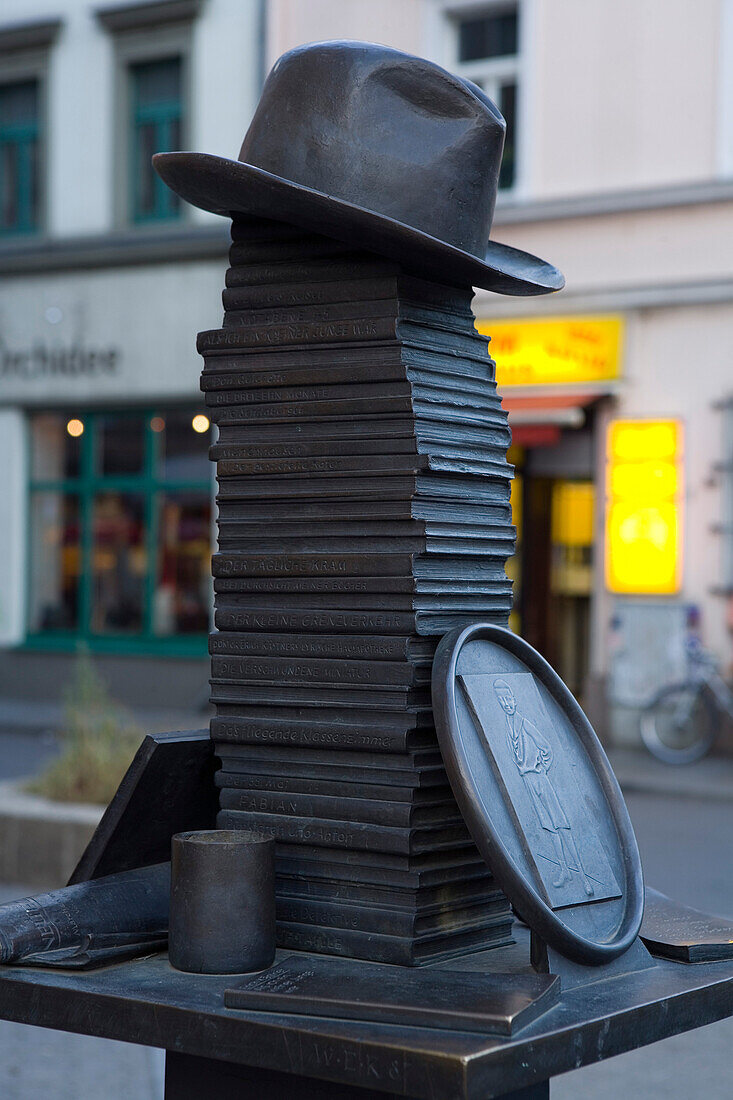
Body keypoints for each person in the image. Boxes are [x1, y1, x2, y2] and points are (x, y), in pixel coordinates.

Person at [493, 679, 594, 896]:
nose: (507, 704)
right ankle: (564, 870)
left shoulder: (524, 723)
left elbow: (546, 747)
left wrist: (542, 768)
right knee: (549, 827)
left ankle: (583, 877)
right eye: (503, 701)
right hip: (528, 781)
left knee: (562, 825)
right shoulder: (506, 728)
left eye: (509, 699)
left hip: (539, 778)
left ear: (514, 700)